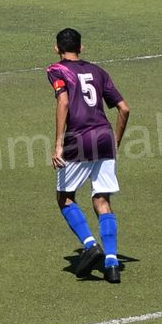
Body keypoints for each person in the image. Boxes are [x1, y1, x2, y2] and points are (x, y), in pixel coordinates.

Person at [48, 28, 131, 284]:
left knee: (65, 197)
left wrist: (59, 144)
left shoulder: (57, 69)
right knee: (102, 199)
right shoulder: (98, 71)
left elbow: (63, 103)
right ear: (82, 47)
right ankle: (112, 262)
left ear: (56, 48)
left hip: (79, 139)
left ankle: (90, 244)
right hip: (105, 137)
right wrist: (115, 139)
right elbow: (124, 108)